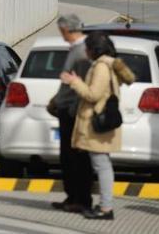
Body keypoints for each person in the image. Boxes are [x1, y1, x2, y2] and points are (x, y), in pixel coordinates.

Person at [60, 32, 136, 220]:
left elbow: (93, 94)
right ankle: (104, 206)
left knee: (101, 165)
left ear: (95, 49)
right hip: (98, 123)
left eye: (87, 48)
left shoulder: (101, 66)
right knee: (102, 164)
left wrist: (74, 82)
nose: (85, 51)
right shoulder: (107, 63)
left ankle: (106, 208)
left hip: (95, 125)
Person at [49, 15, 93, 214]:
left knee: (76, 157)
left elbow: (78, 83)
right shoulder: (76, 50)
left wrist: (68, 106)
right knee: (68, 156)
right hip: (66, 108)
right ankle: (72, 196)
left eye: (62, 31)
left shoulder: (81, 52)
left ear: (67, 29)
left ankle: (80, 198)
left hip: (73, 111)